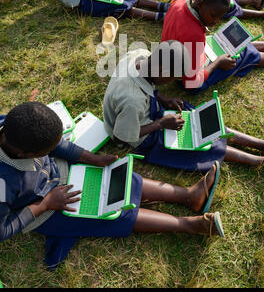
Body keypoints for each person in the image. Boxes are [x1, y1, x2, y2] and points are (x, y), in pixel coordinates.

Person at [0, 101, 225, 269]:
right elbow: (3, 229)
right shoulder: (4, 185)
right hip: (41, 208)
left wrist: (93, 159)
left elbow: (59, 146)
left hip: (57, 172)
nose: (53, 148)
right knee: (113, 212)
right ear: (23, 154)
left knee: (119, 178)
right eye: (46, 150)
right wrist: (46, 204)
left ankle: (189, 196)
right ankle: (189, 225)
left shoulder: (11, 125)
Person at [103, 40, 264, 175]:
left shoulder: (141, 55)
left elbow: (148, 85)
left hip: (146, 112)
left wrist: (163, 98)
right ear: (162, 71)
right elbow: (123, 136)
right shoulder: (133, 101)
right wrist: (160, 124)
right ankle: (262, 162)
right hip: (141, 135)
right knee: (201, 143)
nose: (175, 81)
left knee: (200, 121)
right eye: (174, 76)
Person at [161, 0, 264, 92]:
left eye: (220, 17)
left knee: (234, 47)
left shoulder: (181, 2)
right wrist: (217, 63)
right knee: (237, 56)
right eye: (213, 16)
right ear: (200, 4)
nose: (216, 21)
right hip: (188, 80)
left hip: (175, 57)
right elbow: (190, 82)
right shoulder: (195, 35)